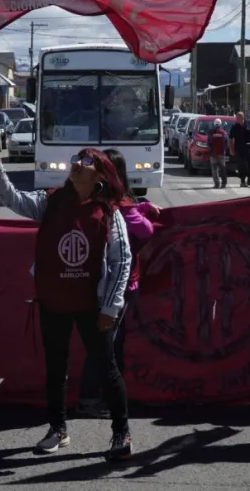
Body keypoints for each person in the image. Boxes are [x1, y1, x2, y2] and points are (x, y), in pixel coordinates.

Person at [0, 143, 134, 461]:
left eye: (86, 161)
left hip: (93, 307)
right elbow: (12, 198)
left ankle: (121, 433)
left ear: (100, 176)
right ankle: (58, 429)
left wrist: (110, 307)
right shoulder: (50, 202)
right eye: (76, 158)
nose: (77, 163)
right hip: (53, 303)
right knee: (55, 370)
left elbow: (121, 262)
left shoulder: (108, 212)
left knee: (107, 369)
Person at [78, 148, 159, 418]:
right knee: (106, 346)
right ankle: (93, 399)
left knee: (109, 344)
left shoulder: (95, 201)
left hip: (96, 284)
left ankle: (109, 396)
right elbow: (145, 231)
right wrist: (141, 210)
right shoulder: (120, 206)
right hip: (116, 286)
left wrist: (141, 208)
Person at [229, 111, 250, 188]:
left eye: (238, 118)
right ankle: (242, 181)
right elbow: (231, 139)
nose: (236, 119)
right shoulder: (234, 127)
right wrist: (232, 150)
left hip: (249, 148)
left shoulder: (248, 123)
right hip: (240, 149)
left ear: (242, 118)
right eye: (236, 118)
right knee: (242, 166)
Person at [207, 118, 230, 189]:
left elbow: (208, 143)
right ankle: (223, 184)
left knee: (214, 169)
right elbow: (227, 143)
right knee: (223, 169)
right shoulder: (224, 132)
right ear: (221, 124)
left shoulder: (211, 133)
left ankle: (217, 184)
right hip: (222, 154)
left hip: (213, 154)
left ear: (214, 124)